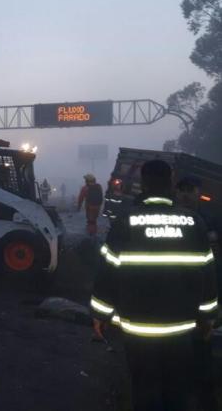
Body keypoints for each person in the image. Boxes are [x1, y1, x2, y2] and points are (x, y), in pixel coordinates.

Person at [90, 160, 217, 411]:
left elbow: (107, 272)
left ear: (143, 184)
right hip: (181, 330)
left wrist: (100, 315)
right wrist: (209, 317)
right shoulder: (193, 223)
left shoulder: (125, 222)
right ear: (171, 182)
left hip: (138, 329)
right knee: (177, 390)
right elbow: (208, 275)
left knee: (144, 387)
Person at [175, 176, 221, 411]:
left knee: (203, 353)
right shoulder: (169, 220)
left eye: (190, 190)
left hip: (203, 296)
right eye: (181, 190)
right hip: (175, 298)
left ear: (198, 193)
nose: (185, 195)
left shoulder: (210, 220)